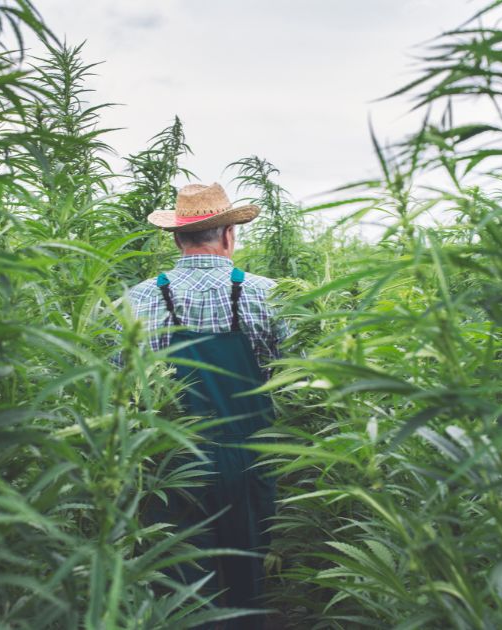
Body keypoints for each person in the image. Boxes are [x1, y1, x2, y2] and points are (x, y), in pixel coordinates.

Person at [124, 182, 290, 627]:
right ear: (229, 235)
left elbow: (120, 384)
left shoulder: (139, 298)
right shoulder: (266, 293)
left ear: (177, 238)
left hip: (171, 459)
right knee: (247, 574)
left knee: (182, 583)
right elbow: (300, 379)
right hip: (252, 454)